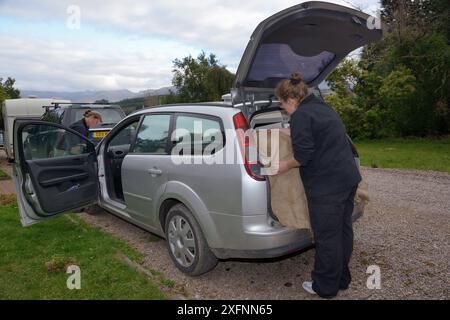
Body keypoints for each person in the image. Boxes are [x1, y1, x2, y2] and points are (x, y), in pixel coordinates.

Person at [275, 72, 362, 299]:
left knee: (326, 238)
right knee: (343, 231)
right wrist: (293, 132)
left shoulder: (301, 116)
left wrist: (284, 165)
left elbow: (303, 156)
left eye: (283, 105)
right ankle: (342, 279)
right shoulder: (322, 107)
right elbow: (321, 134)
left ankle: (324, 287)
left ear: (292, 100)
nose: (284, 109)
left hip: (327, 187)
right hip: (348, 179)